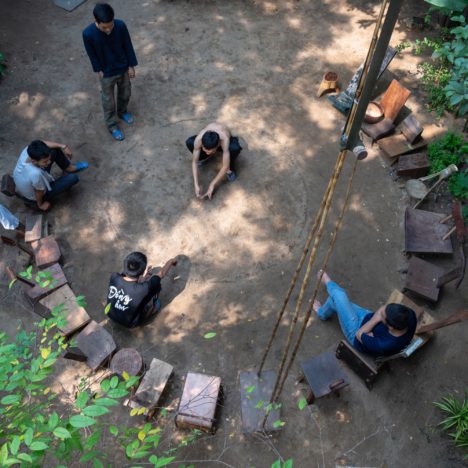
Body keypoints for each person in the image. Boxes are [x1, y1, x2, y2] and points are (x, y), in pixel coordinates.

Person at [313, 271, 417, 356]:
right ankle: (322, 313)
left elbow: (359, 334)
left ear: (390, 327)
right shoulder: (409, 316)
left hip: (355, 331)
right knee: (335, 301)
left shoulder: (384, 345)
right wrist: (377, 320)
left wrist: (376, 318)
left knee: (339, 296)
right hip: (366, 318)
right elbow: (382, 310)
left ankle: (326, 281)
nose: (381, 311)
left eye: (382, 316)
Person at [82, 3, 138, 141]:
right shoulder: (88, 34)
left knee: (126, 93)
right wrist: (98, 69)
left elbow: (128, 45)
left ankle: (122, 112)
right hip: (106, 72)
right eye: (104, 27)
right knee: (108, 102)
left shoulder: (120, 26)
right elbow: (91, 54)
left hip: (123, 67)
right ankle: (112, 125)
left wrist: (131, 65)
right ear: (96, 21)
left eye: (110, 25)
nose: (108, 29)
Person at [106, 252, 177, 328]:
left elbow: (129, 284)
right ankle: (153, 309)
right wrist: (171, 261)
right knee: (156, 286)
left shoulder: (114, 276)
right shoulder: (144, 288)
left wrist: (144, 277)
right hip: (130, 324)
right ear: (142, 272)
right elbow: (161, 274)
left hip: (109, 313)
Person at [13, 140, 88, 212]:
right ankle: (67, 171)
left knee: (54, 149)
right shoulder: (35, 174)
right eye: (45, 161)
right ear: (34, 161)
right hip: (35, 196)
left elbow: (42, 143)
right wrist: (40, 205)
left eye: (48, 160)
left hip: (26, 180)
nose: (49, 162)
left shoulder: (28, 150)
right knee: (73, 178)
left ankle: (69, 168)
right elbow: (39, 192)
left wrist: (63, 146)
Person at [186, 122, 242, 199]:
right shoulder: (199, 140)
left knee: (234, 148)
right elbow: (194, 162)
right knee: (189, 142)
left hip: (223, 142)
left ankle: (230, 169)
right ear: (202, 144)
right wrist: (196, 184)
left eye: (210, 152)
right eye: (205, 150)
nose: (207, 153)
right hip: (209, 143)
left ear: (217, 146)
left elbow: (225, 166)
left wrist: (212, 184)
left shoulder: (224, 139)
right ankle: (203, 158)